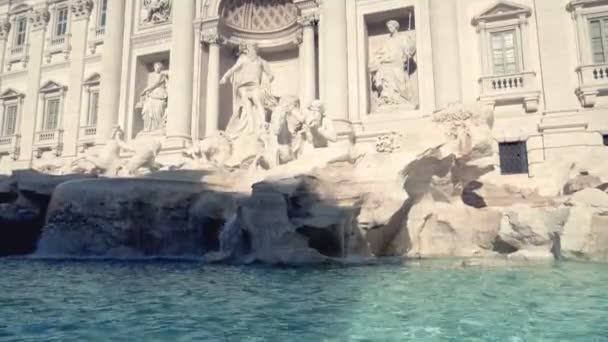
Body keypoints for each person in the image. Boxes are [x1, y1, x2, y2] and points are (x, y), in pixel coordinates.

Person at [220, 43, 275, 139]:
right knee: (247, 106)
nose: (249, 51)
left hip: (255, 85)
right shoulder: (243, 59)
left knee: (257, 101)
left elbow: (270, 75)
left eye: (251, 49)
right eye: (248, 49)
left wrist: (266, 83)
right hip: (243, 86)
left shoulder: (262, 62)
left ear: (255, 50)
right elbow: (233, 69)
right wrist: (225, 77)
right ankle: (251, 128)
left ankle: (263, 123)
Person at [370, 20, 416, 108]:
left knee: (400, 80)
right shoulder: (388, 41)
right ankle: (389, 99)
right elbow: (382, 51)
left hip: (398, 62)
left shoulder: (403, 38)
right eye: (388, 27)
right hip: (389, 62)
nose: (389, 29)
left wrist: (408, 52)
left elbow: (410, 48)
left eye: (391, 27)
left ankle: (403, 99)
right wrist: (379, 58)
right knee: (383, 71)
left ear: (396, 27)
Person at [137, 62, 168, 133]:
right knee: (147, 108)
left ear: (161, 68)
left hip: (159, 94)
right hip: (152, 94)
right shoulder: (152, 76)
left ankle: (157, 127)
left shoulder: (162, 75)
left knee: (158, 108)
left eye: (158, 66)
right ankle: (148, 127)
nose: (156, 68)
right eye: (155, 66)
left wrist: (145, 90)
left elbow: (155, 84)